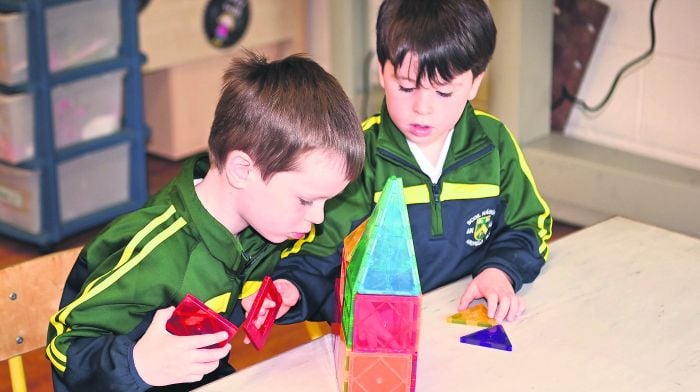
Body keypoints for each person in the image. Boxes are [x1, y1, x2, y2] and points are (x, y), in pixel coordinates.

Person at [46, 51, 365, 391]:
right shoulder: (158, 254)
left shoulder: (264, 225)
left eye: (325, 202)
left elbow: (313, 269)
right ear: (243, 170)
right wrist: (138, 364)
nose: (317, 218)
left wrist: (291, 289)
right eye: (305, 200)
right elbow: (64, 348)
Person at [273, 0, 552, 327]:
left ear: (476, 82)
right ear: (382, 70)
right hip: (379, 335)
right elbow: (320, 251)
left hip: (462, 322)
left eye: (444, 92)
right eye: (406, 86)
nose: (422, 108)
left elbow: (529, 225)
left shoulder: (495, 144)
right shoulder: (360, 156)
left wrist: (500, 271)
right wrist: (292, 286)